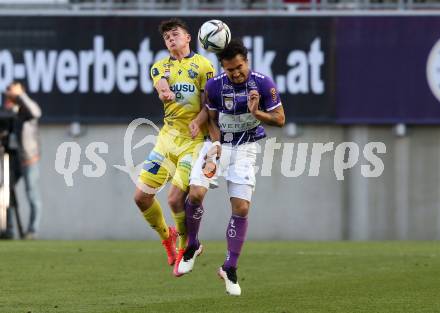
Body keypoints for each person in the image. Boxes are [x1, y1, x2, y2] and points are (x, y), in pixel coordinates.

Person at [177, 38, 285, 295]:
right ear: (223, 67)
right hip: (217, 145)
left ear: (246, 61)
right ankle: (192, 245)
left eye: (239, 67)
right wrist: (212, 139)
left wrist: (257, 113)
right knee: (195, 193)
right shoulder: (214, 86)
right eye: (230, 69)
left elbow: (280, 119)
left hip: (246, 148)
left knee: (242, 207)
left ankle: (230, 267)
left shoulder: (262, 83)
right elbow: (211, 117)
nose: (236, 73)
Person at [134, 18, 215, 276]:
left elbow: (209, 103)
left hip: (193, 143)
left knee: (174, 199)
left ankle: (185, 245)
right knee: (141, 198)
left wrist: (201, 123)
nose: (171, 39)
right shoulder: (160, 66)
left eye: (175, 34)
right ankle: (166, 236)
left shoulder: (204, 65)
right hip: (167, 139)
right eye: (167, 37)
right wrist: (165, 93)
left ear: (188, 37)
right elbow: (161, 86)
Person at [2, 82, 42, 240]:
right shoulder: (11, 111)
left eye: (12, 92)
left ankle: (32, 231)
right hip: (13, 159)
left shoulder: (27, 110)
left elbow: (36, 113)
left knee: (32, 193)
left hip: (29, 159)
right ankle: (9, 229)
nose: (9, 95)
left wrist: (20, 95)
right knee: (6, 192)